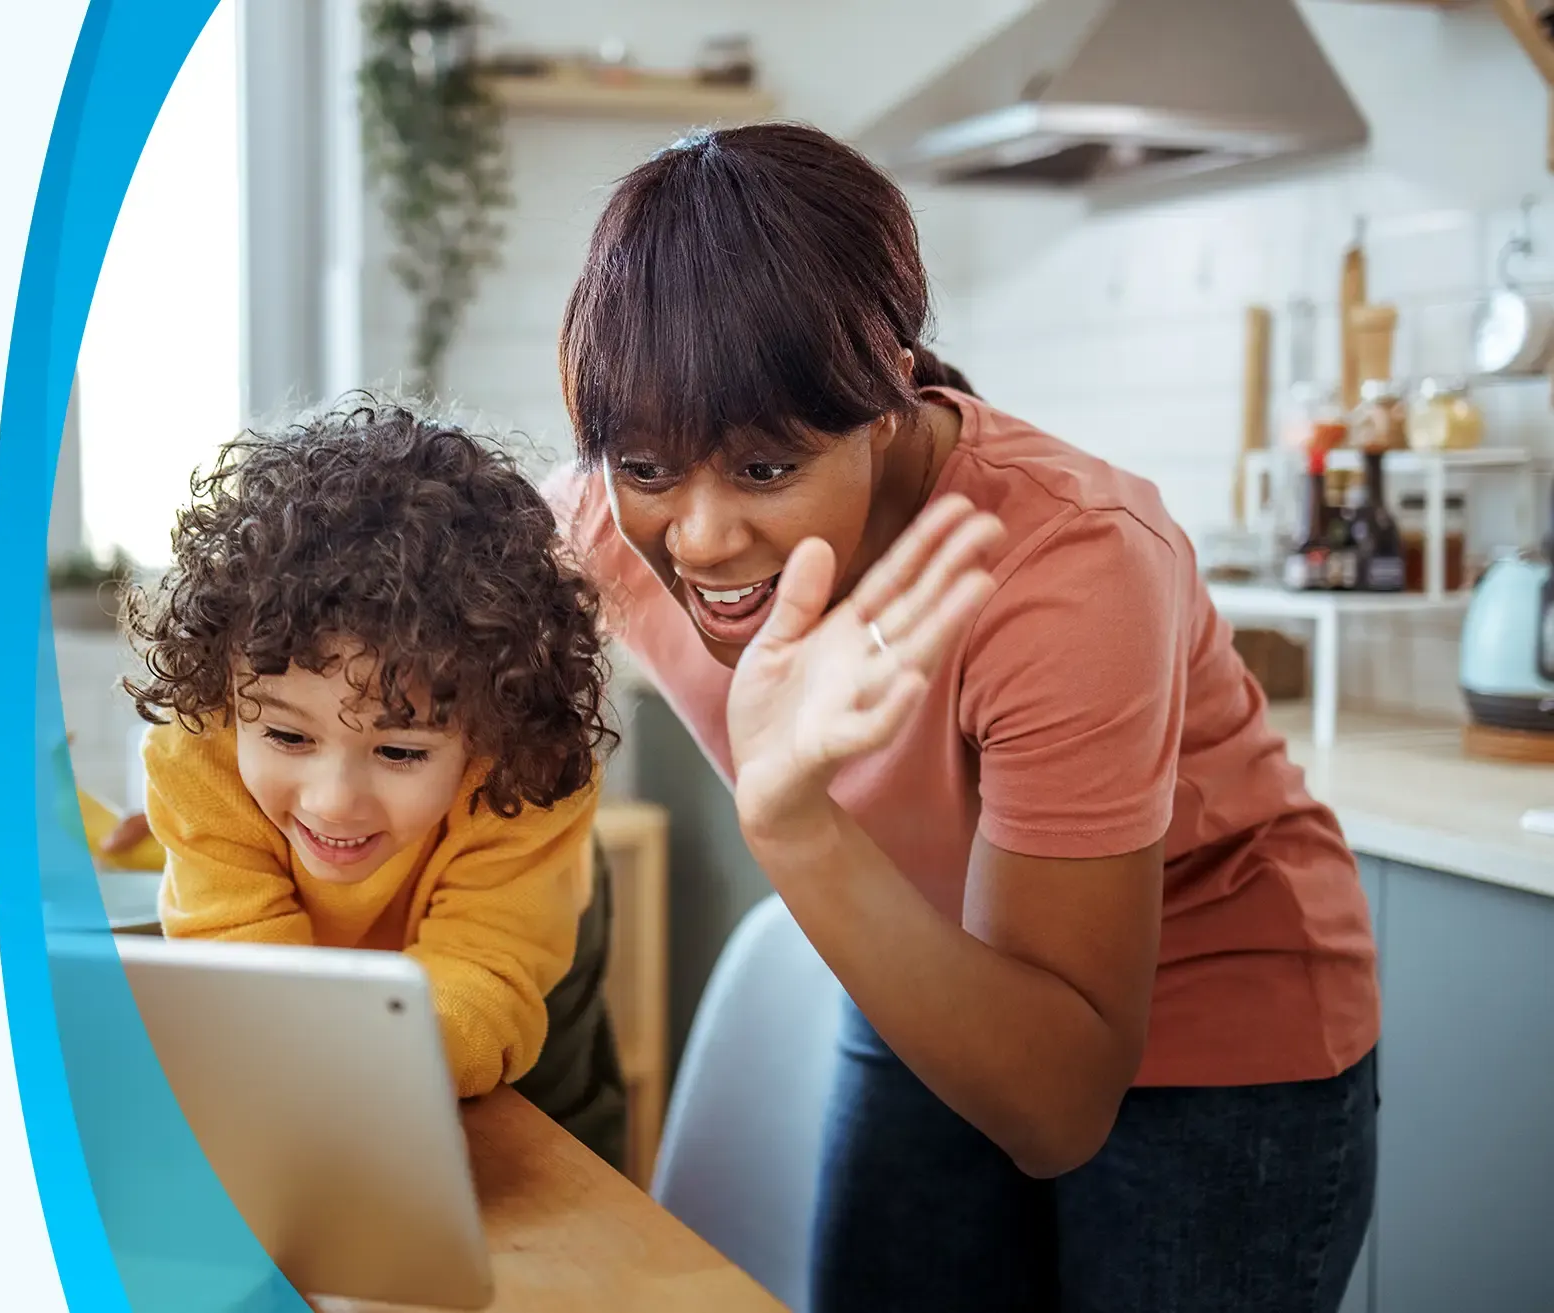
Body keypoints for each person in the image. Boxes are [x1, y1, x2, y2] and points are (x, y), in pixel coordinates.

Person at [545, 122, 1377, 1312]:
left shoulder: (1068, 565)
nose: (704, 536)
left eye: (768, 469)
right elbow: (378, 616)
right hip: (915, 960)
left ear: (887, 398)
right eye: (647, 467)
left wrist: (795, 825)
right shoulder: (608, 518)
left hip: (1211, 1031)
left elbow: (1058, 1105)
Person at [121, 397, 630, 1166]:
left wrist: (346, 1062)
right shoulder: (200, 759)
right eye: (289, 736)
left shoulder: (529, 776)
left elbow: (483, 980)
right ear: (227, 698)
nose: (332, 800)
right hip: (337, 1039)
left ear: (490, 731)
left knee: (550, 1178)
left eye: (399, 752)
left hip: (514, 976)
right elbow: (241, 961)